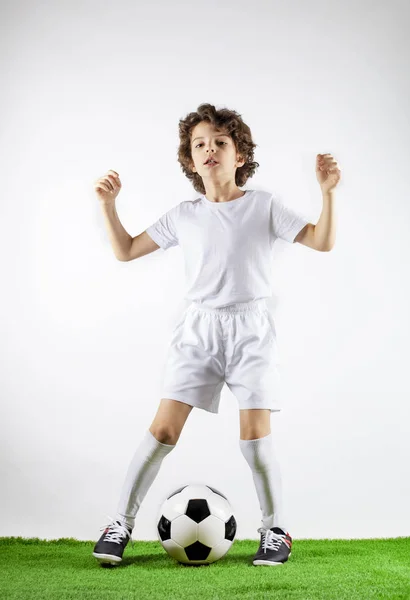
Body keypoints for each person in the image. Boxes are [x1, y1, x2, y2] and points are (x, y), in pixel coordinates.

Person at [91, 103, 339, 567]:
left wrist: (327, 194)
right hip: (198, 331)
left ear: (239, 155)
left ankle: (276, 531)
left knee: (255, 438)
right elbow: (125, 251)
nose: (209, 150)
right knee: (163, 430)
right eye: (199, 144)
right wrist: (108, 206)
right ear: (189, 159)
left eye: (220, 143)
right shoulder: (184, 214)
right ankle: (119, 524)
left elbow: (321, 240)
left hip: (251, 331)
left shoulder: (263, 206)